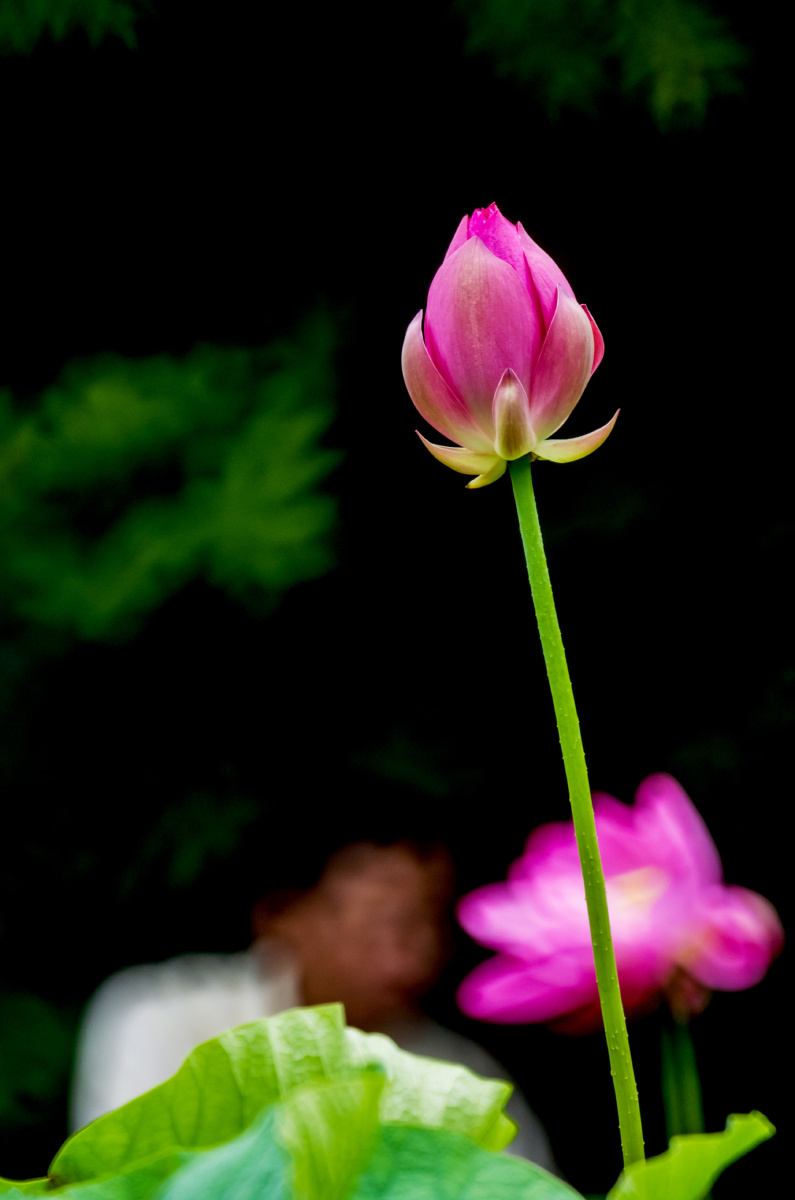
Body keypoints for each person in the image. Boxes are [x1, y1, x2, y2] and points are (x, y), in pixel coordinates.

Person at [70, 838, 557, 1170]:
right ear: (284, 916)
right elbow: (119, 1183)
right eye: (386, 925)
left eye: (429, 923)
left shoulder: (466, 1074)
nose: (415, 957)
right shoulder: (166, 1018)